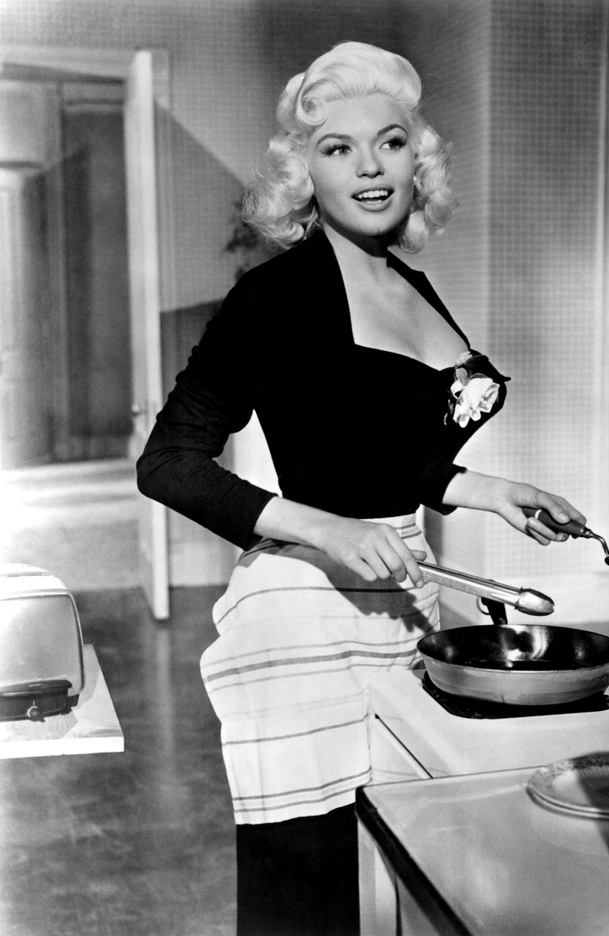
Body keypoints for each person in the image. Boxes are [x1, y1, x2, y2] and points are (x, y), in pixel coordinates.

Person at [137, 41, 585, 936]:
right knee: (311, 897)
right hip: (302, 620)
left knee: (400, 881)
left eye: (390, 143)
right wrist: (323, 528)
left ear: (418, 162)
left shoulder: (414, 285)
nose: (369, 168)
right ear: (304, 172)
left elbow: (372, 454)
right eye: (338, 148)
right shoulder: (273, 297)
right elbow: (168, 462)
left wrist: (484, 489)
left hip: (403, 598)